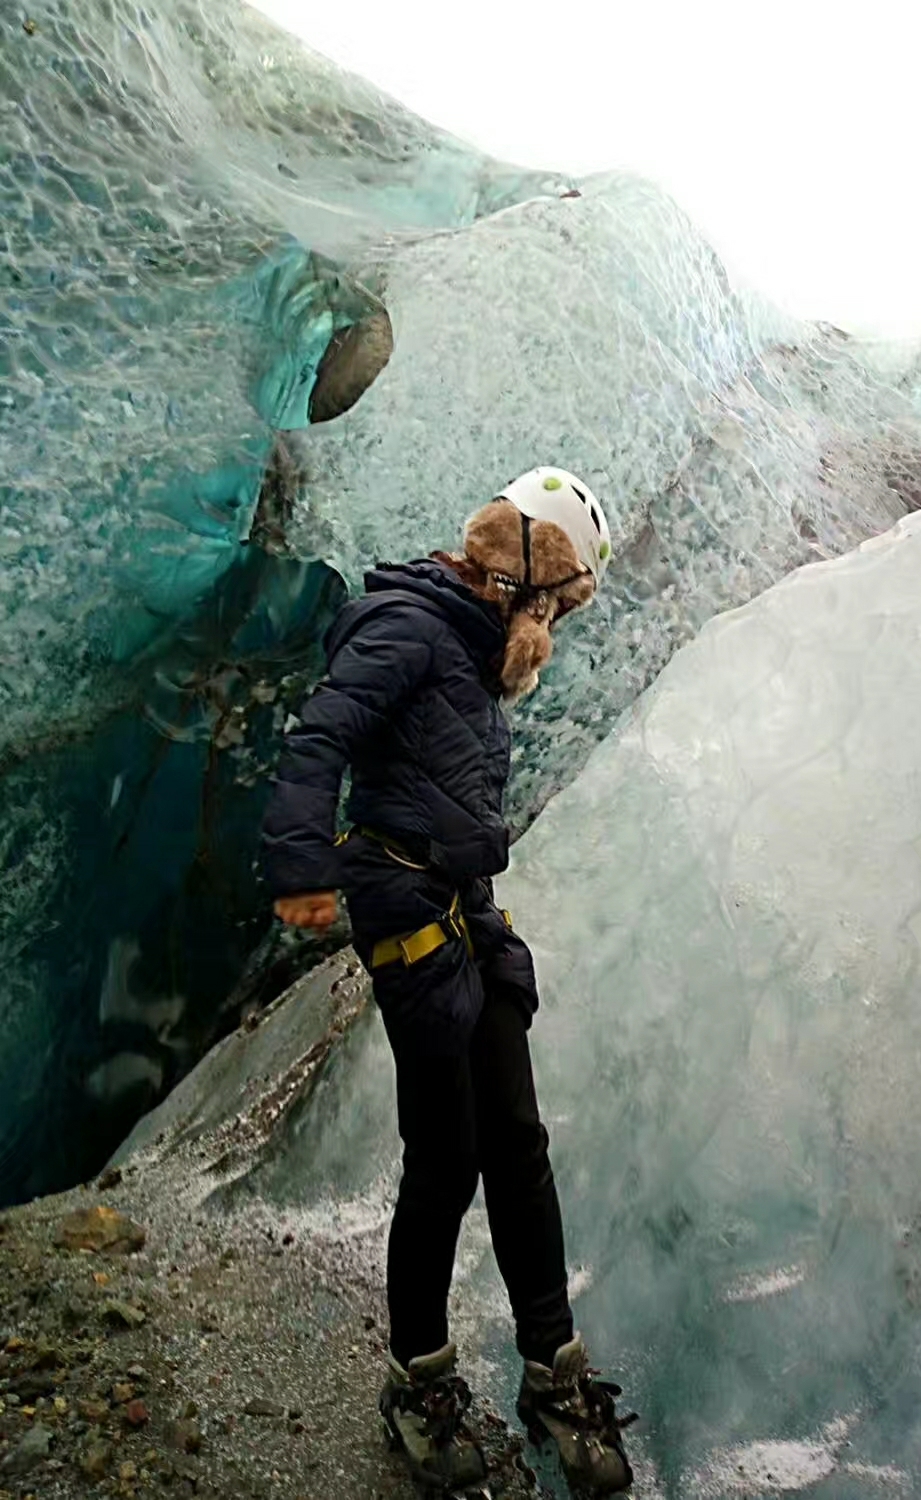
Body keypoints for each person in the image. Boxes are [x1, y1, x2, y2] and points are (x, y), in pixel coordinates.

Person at [261, 468, 635, 1495]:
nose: (551, 624)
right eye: (551, 600)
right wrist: (299, 865)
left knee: (516, 1142)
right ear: (516, 567)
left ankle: (552, 1370)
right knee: (449, 1154)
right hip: (404, 906)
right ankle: (417, 1380)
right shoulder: (408, 629)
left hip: (465, 905)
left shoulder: (467, 651)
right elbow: (322, 734)